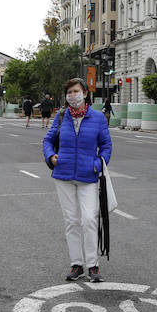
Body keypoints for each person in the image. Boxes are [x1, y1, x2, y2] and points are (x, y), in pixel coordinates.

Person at [43, 78, 112, 284]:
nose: (72, 95)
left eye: (76, 91)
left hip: (88, 176)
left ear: (85, 93)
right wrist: (51, 157)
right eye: (69, 92)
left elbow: (106, 146)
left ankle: (93, 265)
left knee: (89, 219)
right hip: (63, 175)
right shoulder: (61, 116)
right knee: (71, 221)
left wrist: (97, 165)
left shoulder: (98, 118)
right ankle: (76, 264)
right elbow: (48, 140)